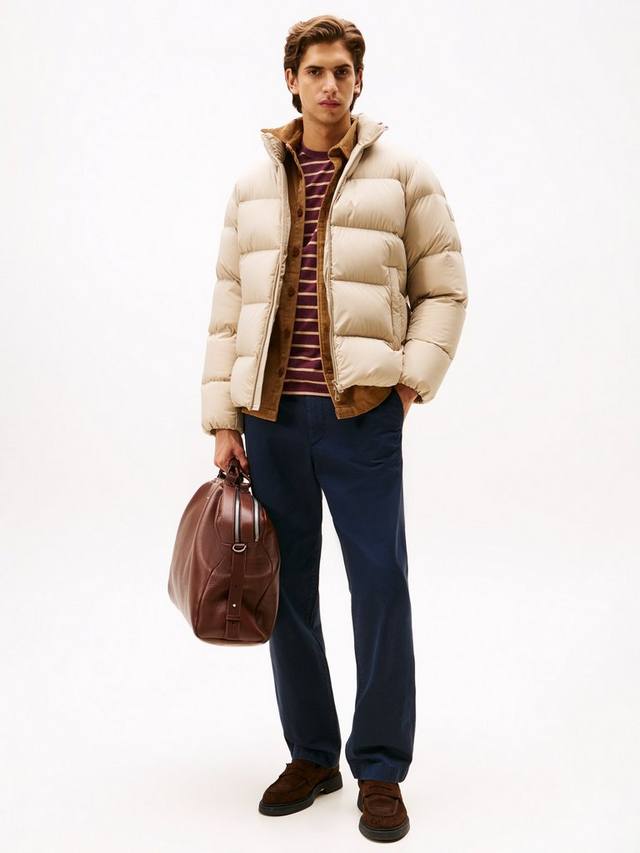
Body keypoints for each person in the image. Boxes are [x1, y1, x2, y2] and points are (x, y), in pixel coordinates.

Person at [200, 14, 468, 843]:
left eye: (341, 72)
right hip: (272, 418)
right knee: (286, 592)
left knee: (380, 586)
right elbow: (229, 306)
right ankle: (313, 754)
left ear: (358, 81)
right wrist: (224, 418)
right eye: (314, 71)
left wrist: (408, 384)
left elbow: (444, 288)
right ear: (292, 80)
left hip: (361, 420)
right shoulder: (253, 185)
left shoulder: (404, 175)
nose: (328, 84)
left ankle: (380, 768)